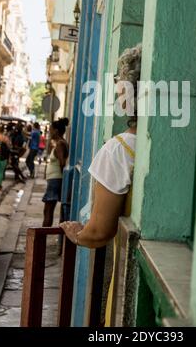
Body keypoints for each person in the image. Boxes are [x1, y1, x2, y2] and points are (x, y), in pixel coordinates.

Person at [60, 45, 141, 325]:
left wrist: (75, 234)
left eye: (120, 82)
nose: (117, 88)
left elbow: (98, 232)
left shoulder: (119, 150)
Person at [42, 118, 69, 227]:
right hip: (55, 180)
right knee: (48, 209)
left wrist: (63, 180)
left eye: (51, 130)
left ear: (56, 131)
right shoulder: (60, 143)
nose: (50, 133)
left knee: (48, 210)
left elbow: (62, 163)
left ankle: (42, 237)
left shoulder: (60, 144)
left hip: (55, 180)